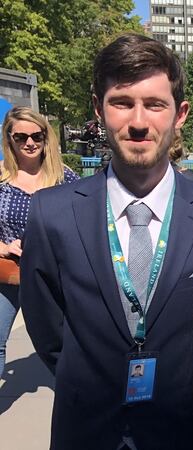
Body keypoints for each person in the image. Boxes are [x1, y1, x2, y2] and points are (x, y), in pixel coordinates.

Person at [19, 34, 193, 450]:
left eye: (155, 104)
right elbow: (48, 330)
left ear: (180, 114)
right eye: (122, 102)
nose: (139, 121)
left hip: (182, 434)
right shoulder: (51, 214)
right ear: (98, 108)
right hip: (85, 430)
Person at [0, 106, 79, 378]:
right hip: (10, 274)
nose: (30, 143)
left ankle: (73, 395)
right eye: (21, 137)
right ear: (9, 138)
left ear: (47, 137)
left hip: (56, 275)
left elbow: (83, 220)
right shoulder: (1, 179)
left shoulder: (64, 177)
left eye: (37, 135)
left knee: (69, 340)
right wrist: (5, 247)